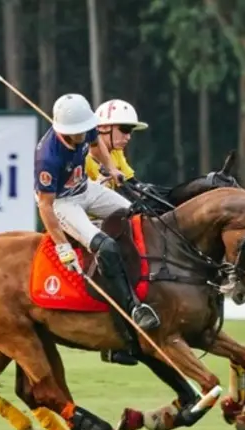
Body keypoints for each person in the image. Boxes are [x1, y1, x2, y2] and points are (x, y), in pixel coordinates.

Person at [35, 93, 160, 360]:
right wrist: (63, 247)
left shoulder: (85, 126)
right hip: (63, 203)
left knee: (135, 215)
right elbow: (45, 206)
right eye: (79, 131)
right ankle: (132, 309)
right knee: (107, 246)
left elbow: (96, 147)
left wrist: (111, 167)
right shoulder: (48, 158)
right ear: (67, 131)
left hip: (85, 189)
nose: (85, 133)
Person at [84, 99, 149, 366]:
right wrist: (99, 179)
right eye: (123, 129)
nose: (128, 137)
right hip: (85, 222)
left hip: (110, 218)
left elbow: (134, 185)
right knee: (116, 255)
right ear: (104, 129)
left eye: (131, 131)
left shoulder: (117, 154)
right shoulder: (84, 155)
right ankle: (116, 339)